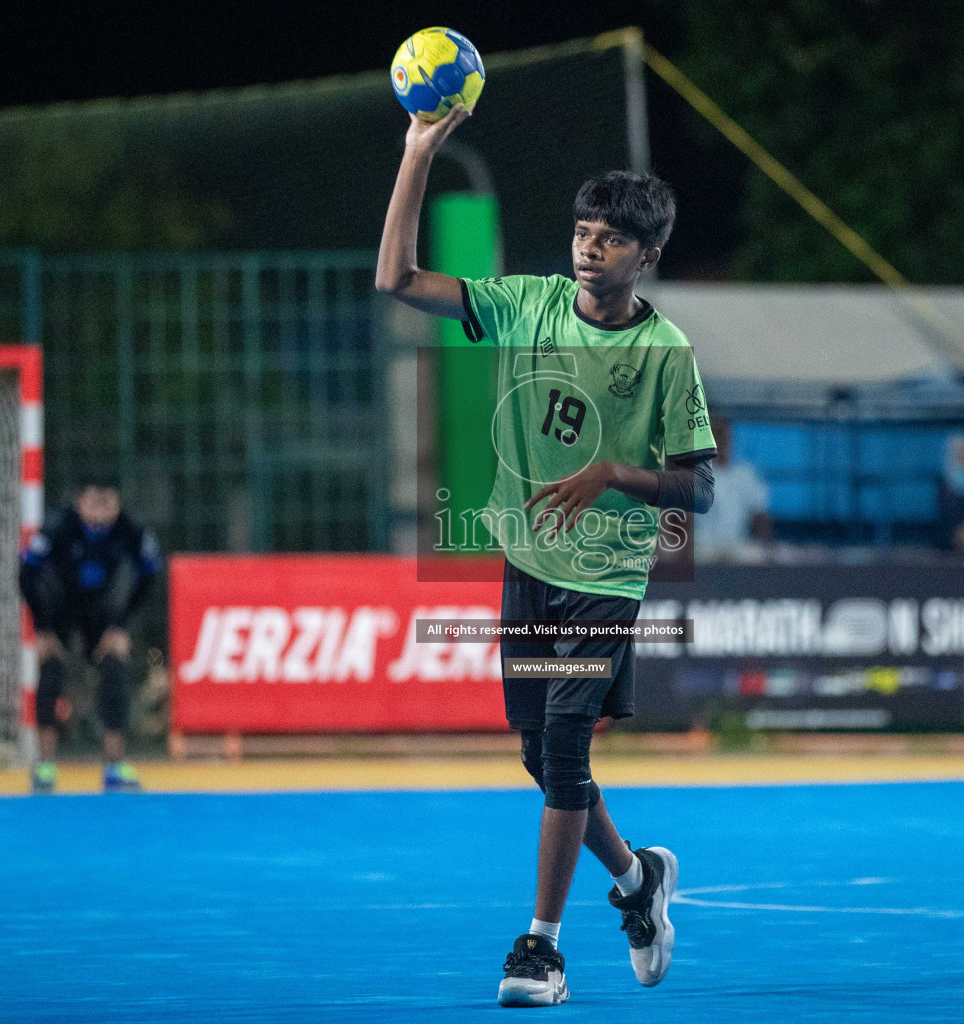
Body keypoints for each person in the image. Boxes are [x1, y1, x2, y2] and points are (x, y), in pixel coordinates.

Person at [377, 104, 715, 1007]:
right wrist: (418, 154)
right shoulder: (523, 302)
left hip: (605, 580)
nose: (588, 247)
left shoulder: (665, 353)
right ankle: (639, 882)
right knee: (540, 756)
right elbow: (397, 279)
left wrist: (610, 473)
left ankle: (542, 948)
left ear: (645, 256)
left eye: (609, 238)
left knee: (564, 747)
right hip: (526, 571)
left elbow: (700, 488)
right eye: (581, 231)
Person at [19, 479, 162, 794]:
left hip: (101, 614)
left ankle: (114, 766)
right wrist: (42, 629)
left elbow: (150, 575)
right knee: (51, 670)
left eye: (108, 501)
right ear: (78, 501)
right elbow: (26, 574)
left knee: (115, 667)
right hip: (60, 610)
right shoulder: (58, 528)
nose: (101, 510)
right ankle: (44, 766)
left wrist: (120, 625)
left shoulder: (130, 530)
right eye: (93, 502)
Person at [691, 413, 771, 559]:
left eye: (725, 435)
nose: (721, 441)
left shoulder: (746, 473)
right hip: (704, 546)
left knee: (756, 555)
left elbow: (760, 514)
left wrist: (763, 545)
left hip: (738, 545)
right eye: (716, 435)